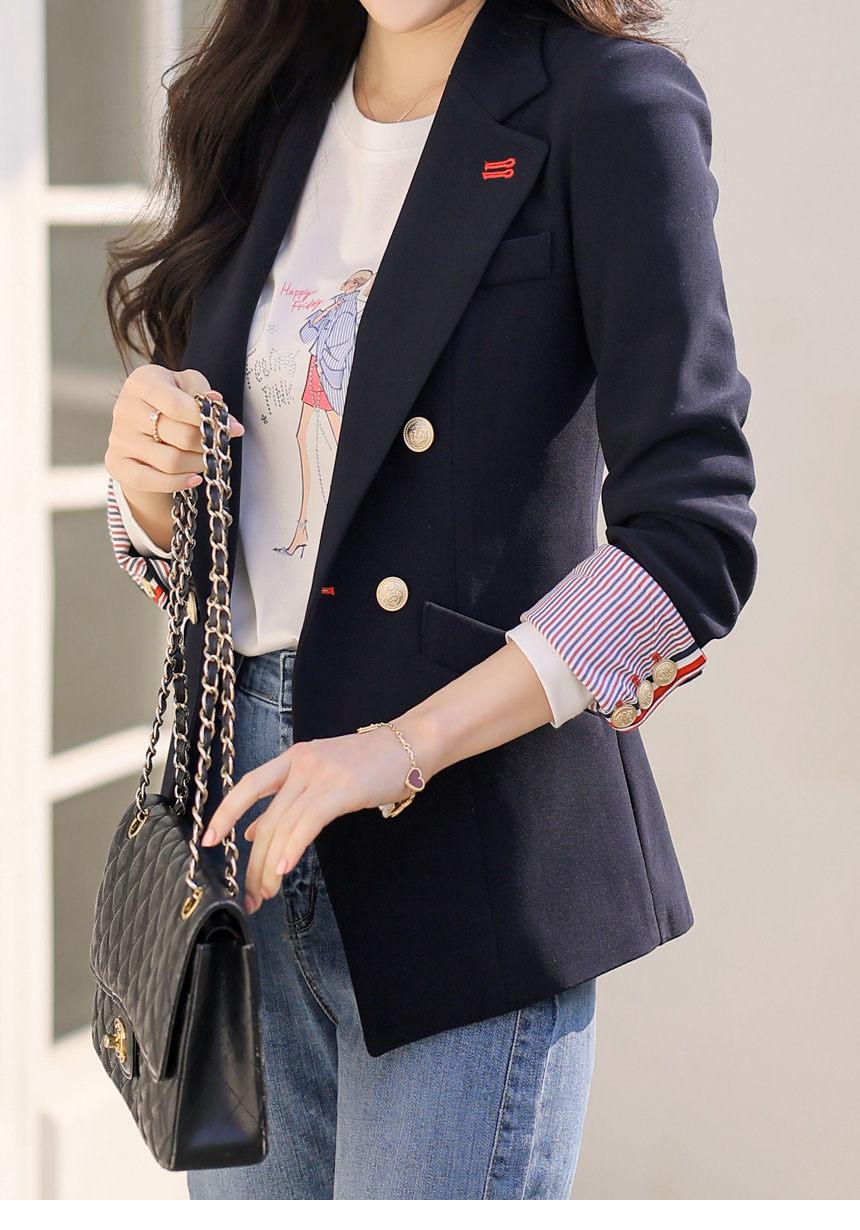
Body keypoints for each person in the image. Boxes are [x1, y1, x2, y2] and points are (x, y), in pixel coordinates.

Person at [103, 0, 756, 1201]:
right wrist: (148, 486)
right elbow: (251, 536)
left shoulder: (609, 104)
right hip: (242, 835)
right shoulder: (265, 106)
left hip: (465, 843)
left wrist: (400, 747)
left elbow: (690, 541)